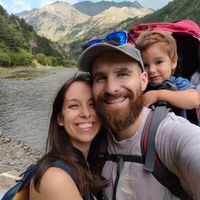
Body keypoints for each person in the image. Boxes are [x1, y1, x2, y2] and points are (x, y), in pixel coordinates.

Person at [78, 38, 200, 199]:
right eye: (100, 78)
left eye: (122, 74)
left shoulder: (173, 135)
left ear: (143, 81)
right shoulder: (92, 138)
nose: (111, 88)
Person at [29, 72, 108, 200]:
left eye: (92, 104)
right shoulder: (56, 179)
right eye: (73, 105)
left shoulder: (87, 162)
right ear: (60, 118)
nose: (86, 113)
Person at [135, 31, 200, 111]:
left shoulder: (178, 83)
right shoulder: (140, 86)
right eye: (145, 65)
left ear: (173, 62)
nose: (151, 70)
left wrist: (158, 95)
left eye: (158, 62)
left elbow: (195, 100)